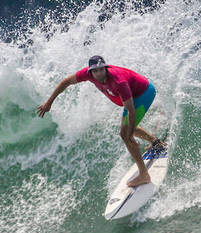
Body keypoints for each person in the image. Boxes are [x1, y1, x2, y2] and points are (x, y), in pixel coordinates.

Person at [37, 55, 162, 187]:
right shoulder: (87, 74)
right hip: (134, 95)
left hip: (143, 94)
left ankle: (144, 175)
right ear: (90, 71)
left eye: (102, 69)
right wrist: (49, 102)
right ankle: (155, 142)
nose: (99, 73)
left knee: (125, 135)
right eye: (96, 70)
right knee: (128, 128)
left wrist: (130, 136)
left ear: (105, 68)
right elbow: (66, 82)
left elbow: (131, 111)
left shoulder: (119, 82)